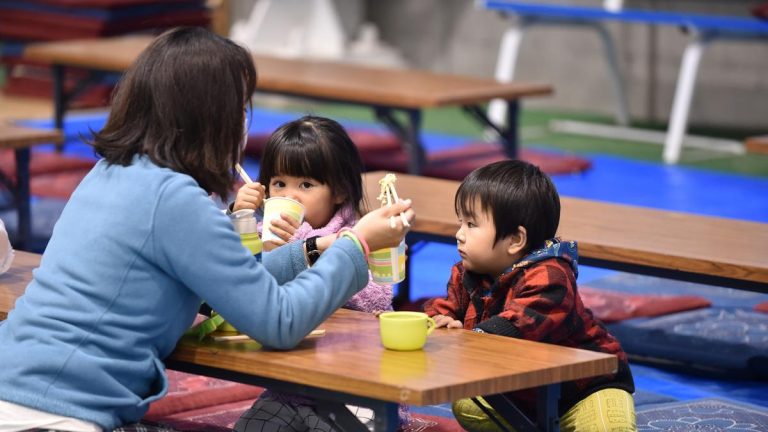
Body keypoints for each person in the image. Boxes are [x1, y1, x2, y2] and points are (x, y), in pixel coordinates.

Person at [0, 27, 413, 432]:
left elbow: (234, 283)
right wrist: (357, 243)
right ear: (210, 117)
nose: (243, 121)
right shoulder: (176, 200)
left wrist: (317, 248)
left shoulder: (110, 172)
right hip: (55, 413)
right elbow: (280, 322)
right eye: (239, 107)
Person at [422, 160, 635, 432]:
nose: (459, 234)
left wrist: (463, 337)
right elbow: (446, 307)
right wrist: (436, 321)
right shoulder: (468, 272)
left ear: (515, 240)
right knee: (466, 405)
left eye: (471, 224)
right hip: (526, 393)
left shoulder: (551, 276)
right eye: (460, 222)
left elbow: (518, 326)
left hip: (586, 388)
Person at [230, 115, 410, 431]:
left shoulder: (361, 234)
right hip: (291, 386)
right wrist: (239, 216)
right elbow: (235, 277)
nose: (289, 196)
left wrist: (303, 244)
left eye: (306, 185)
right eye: (279, 183)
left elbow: (373, 299)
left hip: (354, 386)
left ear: (339, 190)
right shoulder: (265, 233)